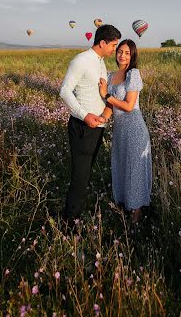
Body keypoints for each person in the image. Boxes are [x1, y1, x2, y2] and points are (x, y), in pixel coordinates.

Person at [60, 24, 121, 224]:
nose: (115, 49)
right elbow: (65, 91)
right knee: (79, 177)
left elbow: (101, 92)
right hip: (83, 126)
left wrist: (104, 114)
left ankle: (76, 215)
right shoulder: (81, 61)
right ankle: (69, 224)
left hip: (97, 126)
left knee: (85, 175)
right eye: (113, 45)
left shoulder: (101, 62)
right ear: (102, 43)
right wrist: (85, 115)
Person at [99, 39, 152, 226]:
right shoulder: (111, 75)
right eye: (120, 51)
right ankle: (124, 205)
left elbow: (129, 105)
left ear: (133, 55)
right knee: (122, 166)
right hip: (120, 130)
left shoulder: (133, 74)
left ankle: (135, 218)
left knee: (134, 169)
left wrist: (106, 95)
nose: (122, 55)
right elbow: (109, 106)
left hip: (135, 129)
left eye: (127, 53)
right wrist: (102, 119)